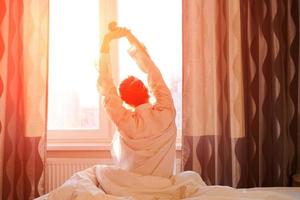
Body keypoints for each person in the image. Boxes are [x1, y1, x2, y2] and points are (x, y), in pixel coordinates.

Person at [98, 23, 177, 178]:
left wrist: (106, 43)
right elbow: (152, 70)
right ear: (147, 89)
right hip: (164, 185)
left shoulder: (126, 121)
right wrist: (129, 36)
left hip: (131, 187)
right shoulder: (166, 112)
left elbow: (107, 86)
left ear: (126, 101)